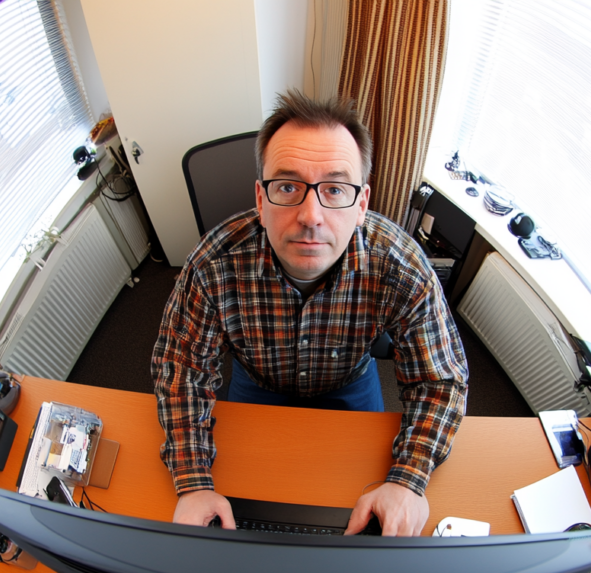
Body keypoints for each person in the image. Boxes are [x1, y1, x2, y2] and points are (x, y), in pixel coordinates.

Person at [151, 90, 468, 536]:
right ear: (261, 200)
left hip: (349, 383)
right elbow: (181, 371)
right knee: (247, 499)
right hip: (258, 382)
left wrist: (408, 479)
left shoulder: (401, 266)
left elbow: (441, 378)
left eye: (335, 189)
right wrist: (193, 482)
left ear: (361, 205)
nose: (311, 215)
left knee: (357, 504)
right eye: (287, 187)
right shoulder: (213, 265)